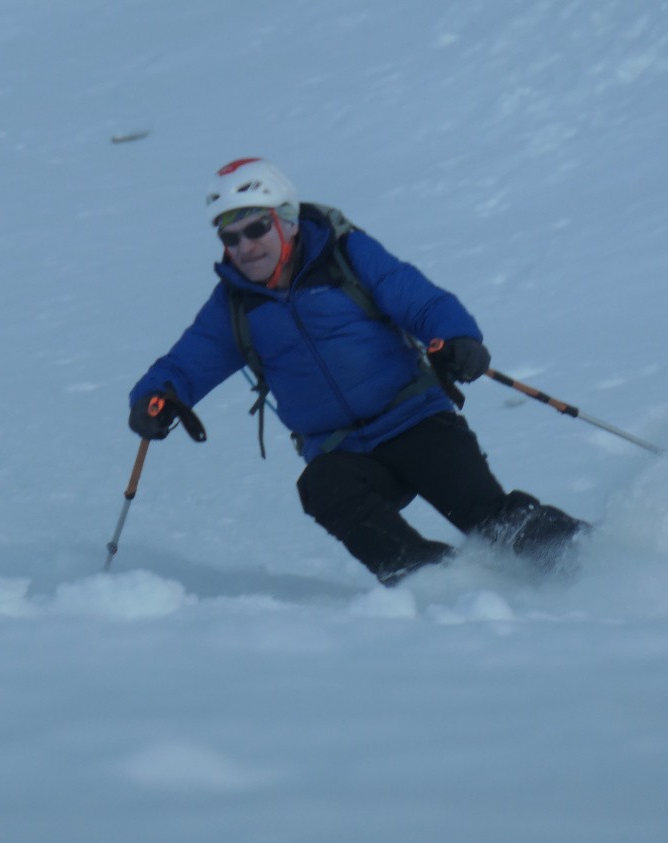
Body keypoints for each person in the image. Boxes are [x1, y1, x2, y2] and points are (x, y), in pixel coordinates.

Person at [127, 158, 587, 585]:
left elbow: (418, 299)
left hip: (416, 420)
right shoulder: (234, 305)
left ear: (286, 219)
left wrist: (457, 339)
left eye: (256, 228)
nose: (244, 247)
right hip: (340, 451)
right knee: (322, 488)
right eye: (231, 238)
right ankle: (434, 583)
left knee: (487, 516)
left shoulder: (345, 255)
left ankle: (585, 560)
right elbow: (186, 363)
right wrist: (155, 398)